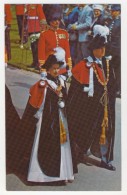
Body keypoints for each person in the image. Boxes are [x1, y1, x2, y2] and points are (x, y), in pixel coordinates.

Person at [15, 49, 75, 184]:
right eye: (53, 69)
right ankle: (43, 176)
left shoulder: (61, 81)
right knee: (46, 143)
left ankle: (62, 173)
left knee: (63, 143)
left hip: (60, 118)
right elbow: (37, 102)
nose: (56, 71)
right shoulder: (44, 84)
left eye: (57, 68)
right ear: (47, 69)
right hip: (46, 119)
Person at [67, 25, 116, 171]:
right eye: (100, 48)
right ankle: (79, 152)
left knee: (106, 131)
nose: (103, 51)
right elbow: (75, 92)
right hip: (89, 107)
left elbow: (112, 85)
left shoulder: (108, 64)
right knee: (84, 128)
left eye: (104, 48)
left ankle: (104, 157)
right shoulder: (84, 65)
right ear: (93, 49)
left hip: (105, 106)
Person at [38, 5, 72, 71]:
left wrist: (69, 66)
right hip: (49, 66)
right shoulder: (44, 34)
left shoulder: (64, 33)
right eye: (55, 20)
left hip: (62, 66)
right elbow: (41, 53)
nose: (57, 22)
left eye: (58, 20)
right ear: (50, 21)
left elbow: (67, 51)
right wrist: (42, 68)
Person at [106, 4, 121, 98]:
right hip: (111, 49)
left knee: (118, 71)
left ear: (118, 11)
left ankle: (119, 90)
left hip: (118, 51)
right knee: (111, 70)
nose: (111, 12)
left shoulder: (121, 22)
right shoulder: (112, 21)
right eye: (111, 11)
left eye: (113, 11)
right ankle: (113, 88)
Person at [26, 4, 47, 69]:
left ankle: (38, 64)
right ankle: (34, 62)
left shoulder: (37, 4)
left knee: (36, 47)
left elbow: (41, 15)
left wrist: (43, 27)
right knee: (33, 46)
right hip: (31, 27)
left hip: (36, 27)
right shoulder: (28, 4)